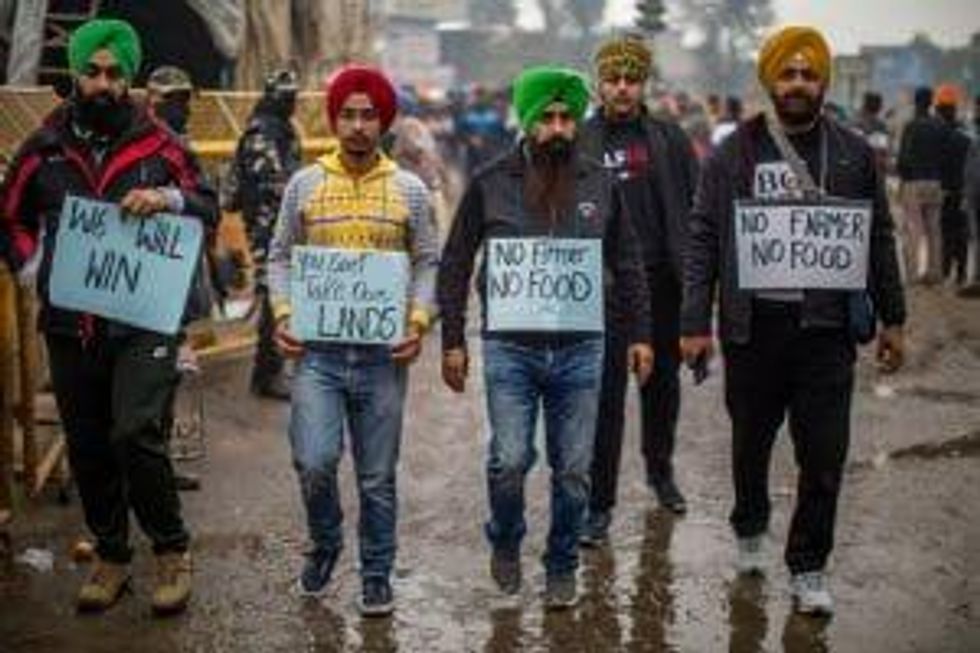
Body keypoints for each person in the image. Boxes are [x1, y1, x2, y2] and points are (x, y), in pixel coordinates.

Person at [680, 26, 906, 616]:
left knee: (824, 456)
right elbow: (703, 236)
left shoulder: (855, 153)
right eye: (789, 74)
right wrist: (693, 322)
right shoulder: (735, 152)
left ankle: (808, 567)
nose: (799, 84)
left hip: (825, 334)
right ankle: (750, 526)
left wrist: (895, 319)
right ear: (770, 82)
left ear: (824, 82)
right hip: (752, 331)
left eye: (809, 74)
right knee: (750, 446)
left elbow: (880, 236)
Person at [0, 19, 217, 614]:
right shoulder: (44, 144)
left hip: (145, 319)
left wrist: (168, 199)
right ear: (75, 73)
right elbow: (10, 215)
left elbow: (207, 202)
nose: (102, 83)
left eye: (114, 73)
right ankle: (112, 554)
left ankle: (172, 549)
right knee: (89, 441)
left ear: (130, 77)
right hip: (72, 324)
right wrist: (34, 265)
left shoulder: (160, 144)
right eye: (91, 71)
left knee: (135, 432)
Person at [438, 66, 654, 609]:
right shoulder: (489, 182)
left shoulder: (599, 183)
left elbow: (627, 261)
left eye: (567, 118)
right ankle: (506, 539)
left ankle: (562, 561)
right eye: (547, 118)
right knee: (509, 460)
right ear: (528, 121)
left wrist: (641, 334)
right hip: (510, 347)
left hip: (582, 347)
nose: (558, 128)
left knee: (575, 468)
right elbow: (457, 260)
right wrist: (453, 340)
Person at [267, 64, 438, 617]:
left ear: (383, 121)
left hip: (382, 359)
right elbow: (280, 255)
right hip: (316, 356)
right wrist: (285, 312)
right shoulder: (305, 184)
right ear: (335, 120)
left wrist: (418, 322)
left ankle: (376, 573)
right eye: (349, 114)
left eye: (369, 115)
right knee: (314, 462)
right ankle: (326, 543)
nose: (359, 125)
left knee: (376, 477)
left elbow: (426, 261)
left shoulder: (409, 191)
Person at [577, 34, 699, 545]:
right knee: (604, 398)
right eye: (613, 79)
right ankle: (599, 503)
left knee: (661, 388)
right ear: (598, 84)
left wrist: (699, 289)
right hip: (602, 287)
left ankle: (659, 470)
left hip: (661, 282)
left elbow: (698, 212)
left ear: (643, 84)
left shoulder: (668, 138)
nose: (623, 88)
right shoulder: (580, 139)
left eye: (631, 80)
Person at [228, 68, 302, 398]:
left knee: (278, 294)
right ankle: (267, 373)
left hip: (279, 224)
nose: (290, 102)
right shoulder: (262, 131)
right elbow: (270, 180)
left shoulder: (281, 128)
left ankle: (269, 369)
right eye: (284, 96)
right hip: (265, 224)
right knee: (273, 293)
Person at [897, 86, 946, 284]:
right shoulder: (940, 125)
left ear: (917, 103)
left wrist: (902, 177)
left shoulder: (912, 125)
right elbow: (946, 155)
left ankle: (912, 275)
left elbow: (904, 157)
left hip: (914, 182)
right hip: (936, 182)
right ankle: (935, 273)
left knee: (913, 230)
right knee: (934, 230)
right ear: (931, 102)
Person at [933, 84, 972, 286]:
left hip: (944, 190)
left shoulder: (937, 135)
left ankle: (945, 271)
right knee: (961, 233)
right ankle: (962, 273)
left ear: (938, 108)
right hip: (962, 190)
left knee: (946, 232)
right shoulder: (965, 136)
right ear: (955, 109)